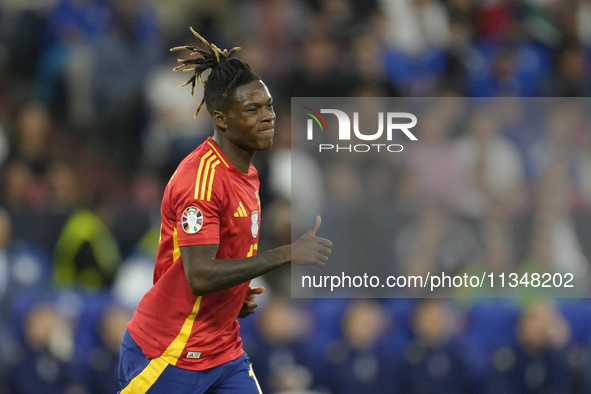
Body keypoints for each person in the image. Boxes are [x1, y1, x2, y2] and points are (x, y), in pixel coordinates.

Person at [117, 28, 332, 394]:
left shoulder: (248, 172)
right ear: (221, 118)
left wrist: (235, 293)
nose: (268, 117)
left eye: (269, 106)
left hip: (223, 351)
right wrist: (289, 253)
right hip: (169, 353)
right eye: (252, 109)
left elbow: (218, 261)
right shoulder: (200, 180)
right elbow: (199, 275)